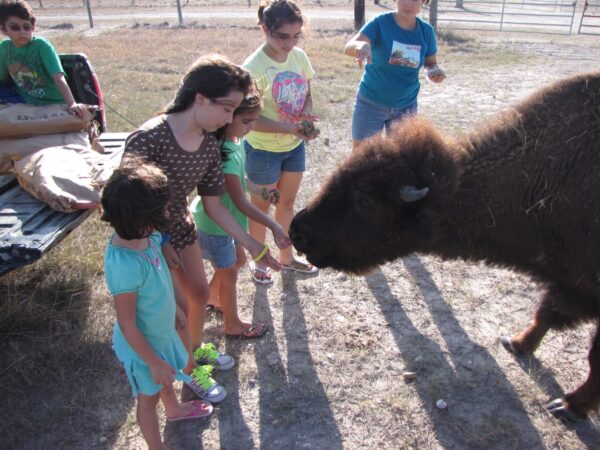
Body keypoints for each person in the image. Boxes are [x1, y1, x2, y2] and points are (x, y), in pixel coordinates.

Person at [123, 55, 281, 403]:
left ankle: (192, 351)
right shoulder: (148, 139)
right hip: (145, 239)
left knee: (197, 294)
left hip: (181, 227)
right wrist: (159, 244)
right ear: (199, 98)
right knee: (175, 309)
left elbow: (214, 206)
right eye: (226, 108)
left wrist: (255, 246)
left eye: (234, 110)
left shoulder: (211, 145)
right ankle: (188, 368)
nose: (229, 119)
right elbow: (128, 204)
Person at [101, 158, 213, 450]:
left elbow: (157, 282)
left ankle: (174, 410)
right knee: (148, 398)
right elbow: (127, 322)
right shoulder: (124, 264)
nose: (166, 213)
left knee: (165, 379)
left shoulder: (147, 237)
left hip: (160, 331)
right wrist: (152, 361)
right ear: (139, 218)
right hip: (142, 346)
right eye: (160, 210)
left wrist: (174, 309)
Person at [192, 91, 291, 339]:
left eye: (255, 120)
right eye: (246, 121)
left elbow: (240, 182)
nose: (252, 127)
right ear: (228, 117)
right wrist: (273, 226)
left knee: (236, 262)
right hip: (216, 226)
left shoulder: (235, 143)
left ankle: (215, 298)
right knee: (230, 272)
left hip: (229, 224)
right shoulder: (223, 152)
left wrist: (259, 190)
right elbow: (239, 202)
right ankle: (232, 324)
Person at [242, 0, 319, 284]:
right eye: (283, 36)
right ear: (265, 29)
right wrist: (290, 128)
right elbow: (249, 119)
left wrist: (307, 113)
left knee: (286, 202)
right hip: (262, 150)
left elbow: (307, 92)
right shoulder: (252, 68)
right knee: (261, 207)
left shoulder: (299, 57)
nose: (290, 43)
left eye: (297, 35)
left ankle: (286, 258)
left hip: (293, 148)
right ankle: (260, 260)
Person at [344, 0, 445, 152]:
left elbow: (430, 62)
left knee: (402, 160)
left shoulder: (426, 31)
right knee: (362, 159)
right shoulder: (380, 23)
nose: (409, 4)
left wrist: (433, 71)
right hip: (370, 103)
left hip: (406, 107)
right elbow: (349, 47)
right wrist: (361, 46)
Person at [0, 0, 86, 116]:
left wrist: (72, 104)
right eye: (15, 27)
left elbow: (58, 77)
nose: (22, 32)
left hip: (52, 100)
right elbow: (3, 79)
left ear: (33, 27)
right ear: (4, 29)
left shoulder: (42, 46)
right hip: (24, 97)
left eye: (27, 27)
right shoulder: (5, 48)